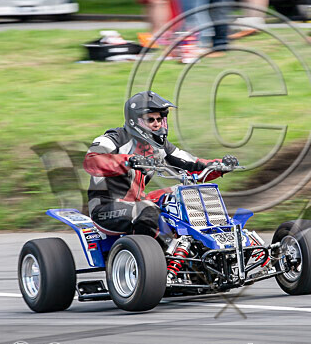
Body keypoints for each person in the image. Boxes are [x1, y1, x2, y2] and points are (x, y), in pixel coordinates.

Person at [83, 91, 238, 238]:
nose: (157, 124)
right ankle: (152, 254)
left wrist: (220, 166)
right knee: (147, 210)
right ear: (134, 121)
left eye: (159, 119)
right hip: (105, 210)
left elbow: (192, 164)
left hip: (138, 202)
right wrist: (127, 160)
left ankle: (201, 245)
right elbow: (92, 161)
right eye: (151, 120)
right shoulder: (113, 139)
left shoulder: (159, 147)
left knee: (183, 195)